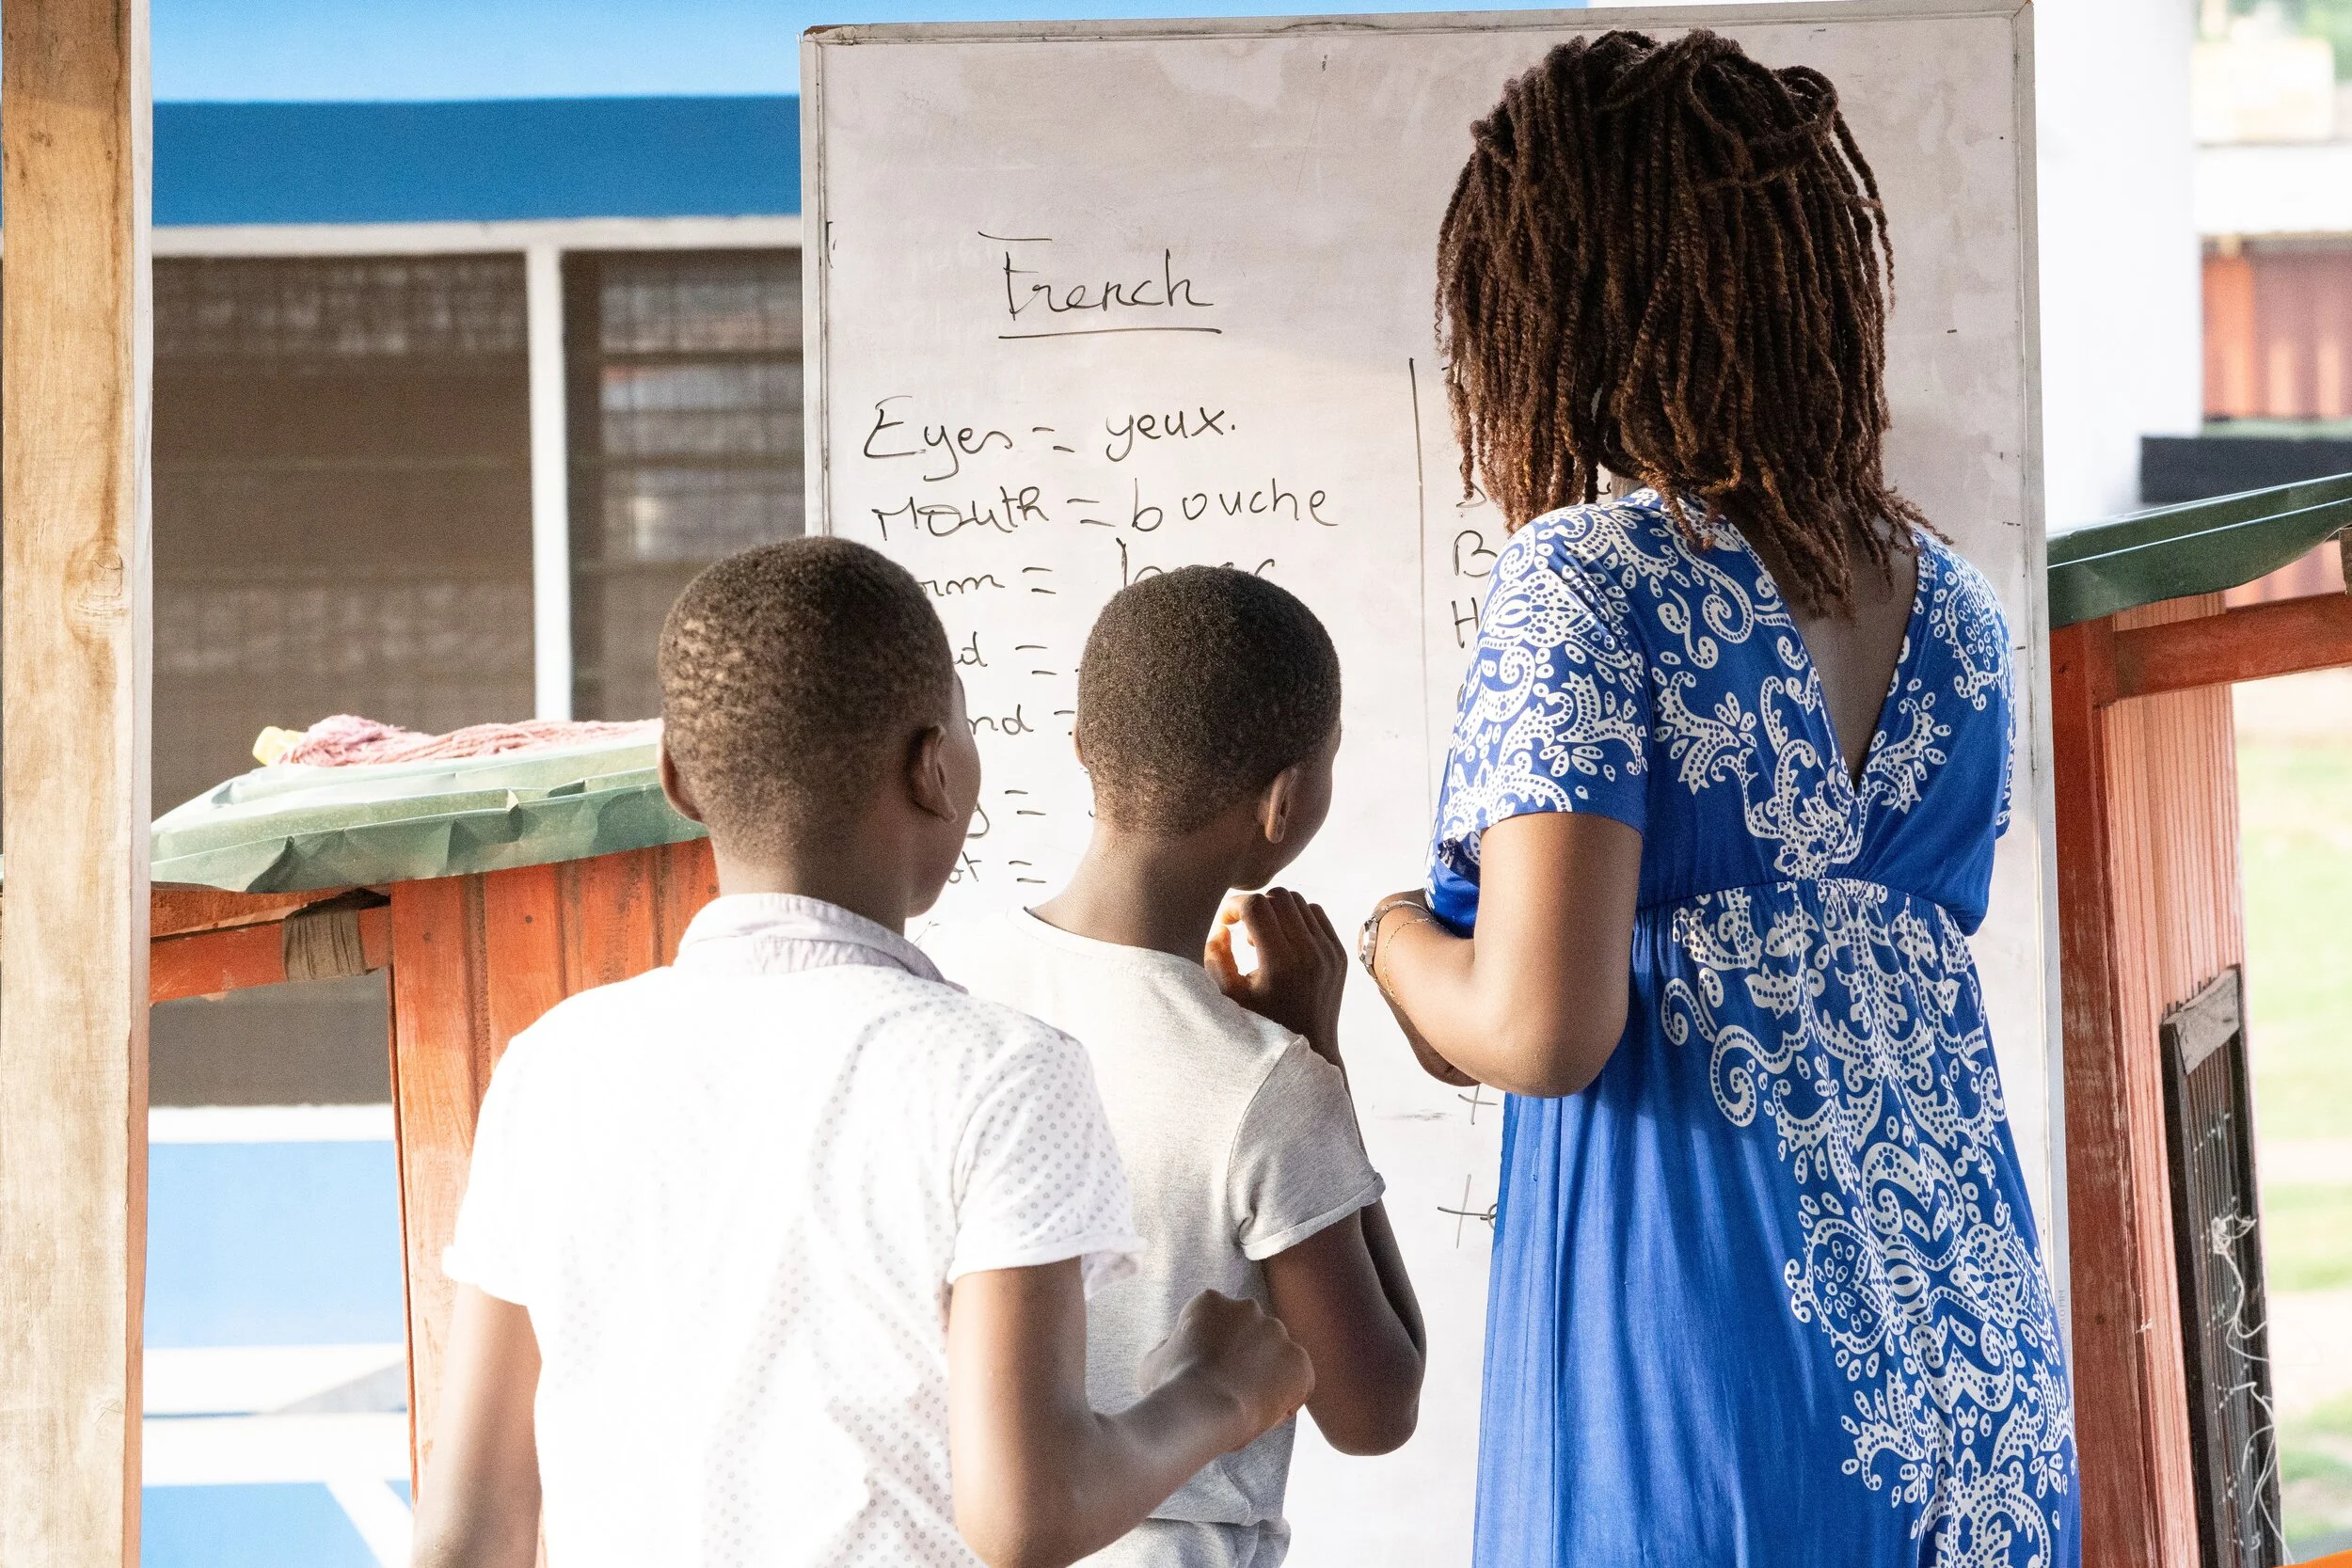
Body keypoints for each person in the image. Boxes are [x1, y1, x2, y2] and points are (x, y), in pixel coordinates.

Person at [1358, 31, 2078, 1568]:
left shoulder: (1589, 577)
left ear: (1557, 305)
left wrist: (1390, 936)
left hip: (1708, 1376)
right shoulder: (1951, 605)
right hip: (1975, 1387)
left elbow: (1543, 1029)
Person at [408, 539, 1314, 1568]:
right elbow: (1030, 1510)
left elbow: (468, 1531)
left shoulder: (554, 1064)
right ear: (935, 767)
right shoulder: (1002, 1070)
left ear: (676, 778)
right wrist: (1216, 1393)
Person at [926, 567, 1425, 1568]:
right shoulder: (1266, 1077)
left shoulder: (944, 987)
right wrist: (1318, 1056)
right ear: (1285, 801)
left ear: (1081, 749)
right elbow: (1376, 1406)